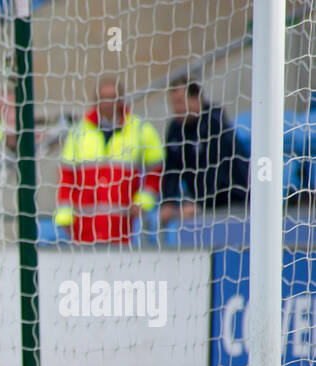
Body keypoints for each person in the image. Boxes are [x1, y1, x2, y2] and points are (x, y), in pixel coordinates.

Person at [55, 75, 163, 244]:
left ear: (121, 100)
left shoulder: (140, 129)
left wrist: (143, 201)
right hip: (84, 228)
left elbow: (157, 167)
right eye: (103, 98)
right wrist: (65, 218)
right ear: (95, 101)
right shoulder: (78, 131)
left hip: (125, 227)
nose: (107, 103)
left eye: (112, 98)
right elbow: (66, 177)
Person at [159, 79, 248, 226]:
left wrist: (200, 204)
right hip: (202, 205)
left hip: (233, 203)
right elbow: (171, 170)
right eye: (173, 103)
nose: (176, 108)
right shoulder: (175, 129)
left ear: (196, 98)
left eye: (180, 102)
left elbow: (219, 170)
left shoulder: (215, 123)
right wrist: (168, 201)